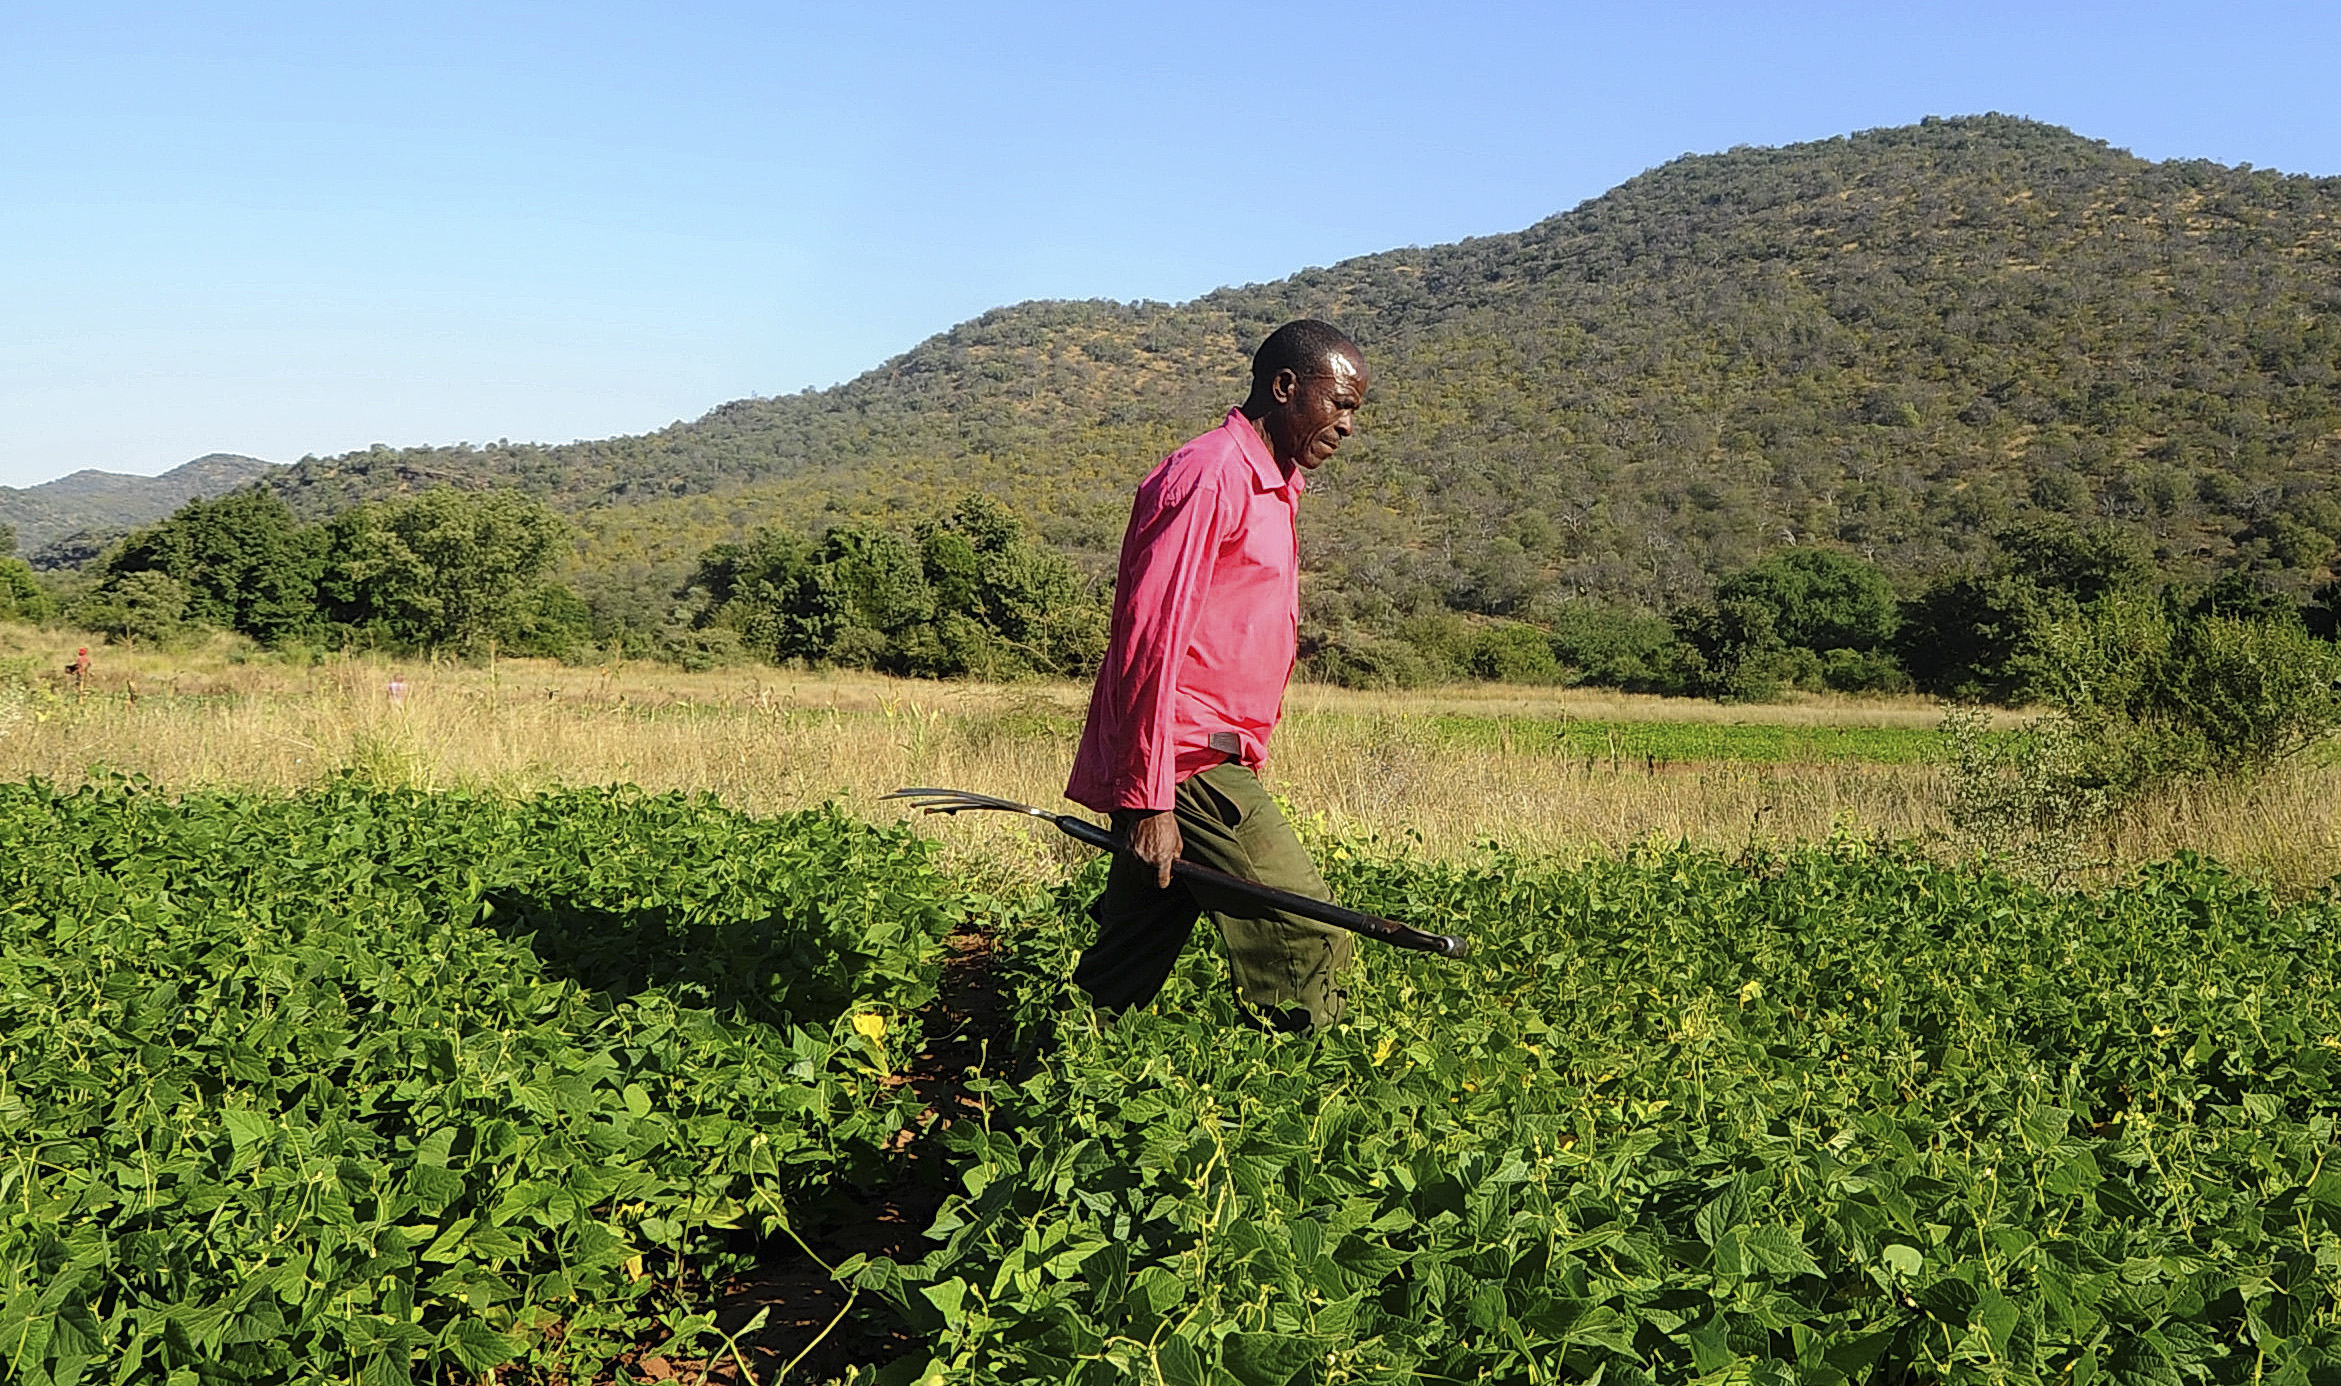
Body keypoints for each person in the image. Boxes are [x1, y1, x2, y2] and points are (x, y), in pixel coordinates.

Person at [1064, 319, 1369, 1033]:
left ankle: (1039, 1087)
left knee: (1124, 963)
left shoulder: (1274, 484)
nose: (1349, 426)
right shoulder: (1209, 476)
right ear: (1285, 386)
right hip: (1185, 761)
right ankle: (1297, 1102)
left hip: (1202, 757)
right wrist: (1150, 801)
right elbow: (1151, 641)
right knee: (1306, 931)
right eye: (1341, 402)